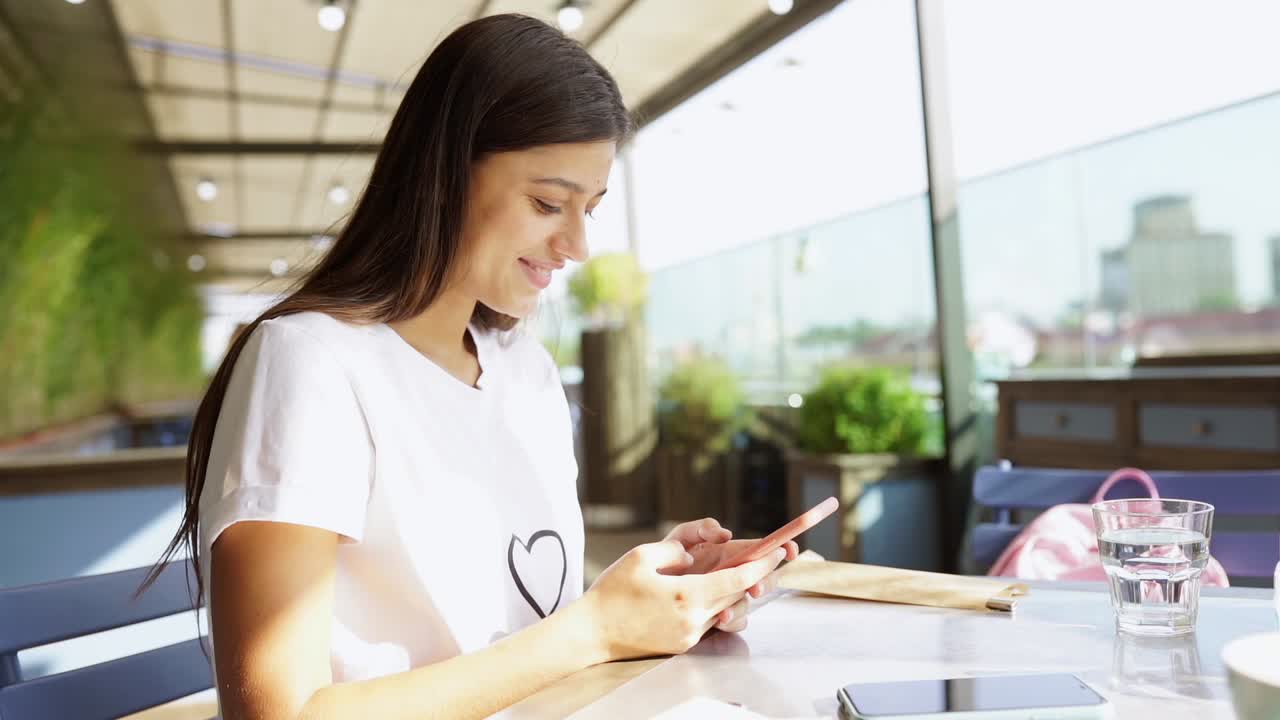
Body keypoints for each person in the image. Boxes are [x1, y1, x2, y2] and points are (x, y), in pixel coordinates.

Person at [147, 13, 796, 720]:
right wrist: (594, 630)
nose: (576, 244)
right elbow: (280, 713)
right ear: (445, 175)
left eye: (591, 208)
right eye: (549, 202)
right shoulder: (311, 364)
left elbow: (514, 637)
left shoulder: (527, 373)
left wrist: (639, 605)